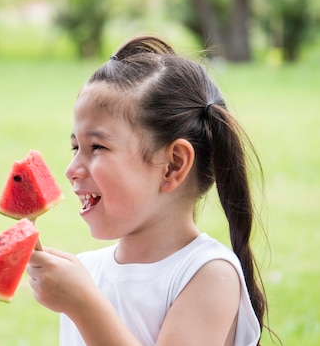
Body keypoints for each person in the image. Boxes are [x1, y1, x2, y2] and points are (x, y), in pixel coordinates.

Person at [27, 36, 269, 346]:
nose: (71, 169)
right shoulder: (85, 271)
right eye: (75, 146)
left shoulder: (209, 275)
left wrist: (85, 306)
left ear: (172, 165)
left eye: (97, 147)